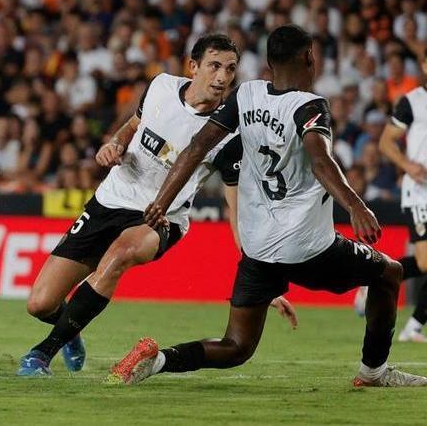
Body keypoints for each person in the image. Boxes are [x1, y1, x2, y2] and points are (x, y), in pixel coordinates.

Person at [108, 25, 427, 388]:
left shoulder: (246, 95)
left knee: (237, 346)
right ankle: (373, 373)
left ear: (270, 62)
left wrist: (161, 203)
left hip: (258, 246)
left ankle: (158, 360)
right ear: (309, 57)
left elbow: (197, 147)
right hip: (306, 246)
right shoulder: (310, 106)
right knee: (388, 273)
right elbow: (321, 161)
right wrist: (356, 205)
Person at [19, 34, 298, 377]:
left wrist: (260, 277)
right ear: (193, 66)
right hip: (110, 200)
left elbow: (237, 210)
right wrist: (115, 143)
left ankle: (41, 354)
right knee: (40, 304)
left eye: (230, 69)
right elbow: (134, 124)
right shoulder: (161, 86)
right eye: (214, 66)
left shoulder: (229, 135)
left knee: (121, 253)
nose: (222, 77)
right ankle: (69, 329)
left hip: (162, 218)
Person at [365, 59, 427, 342]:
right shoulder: (413, 101)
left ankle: (413, 327)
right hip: (421, 192)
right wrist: (408, 165)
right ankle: (374, 278)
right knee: (425, 263)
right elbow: (386, 142)